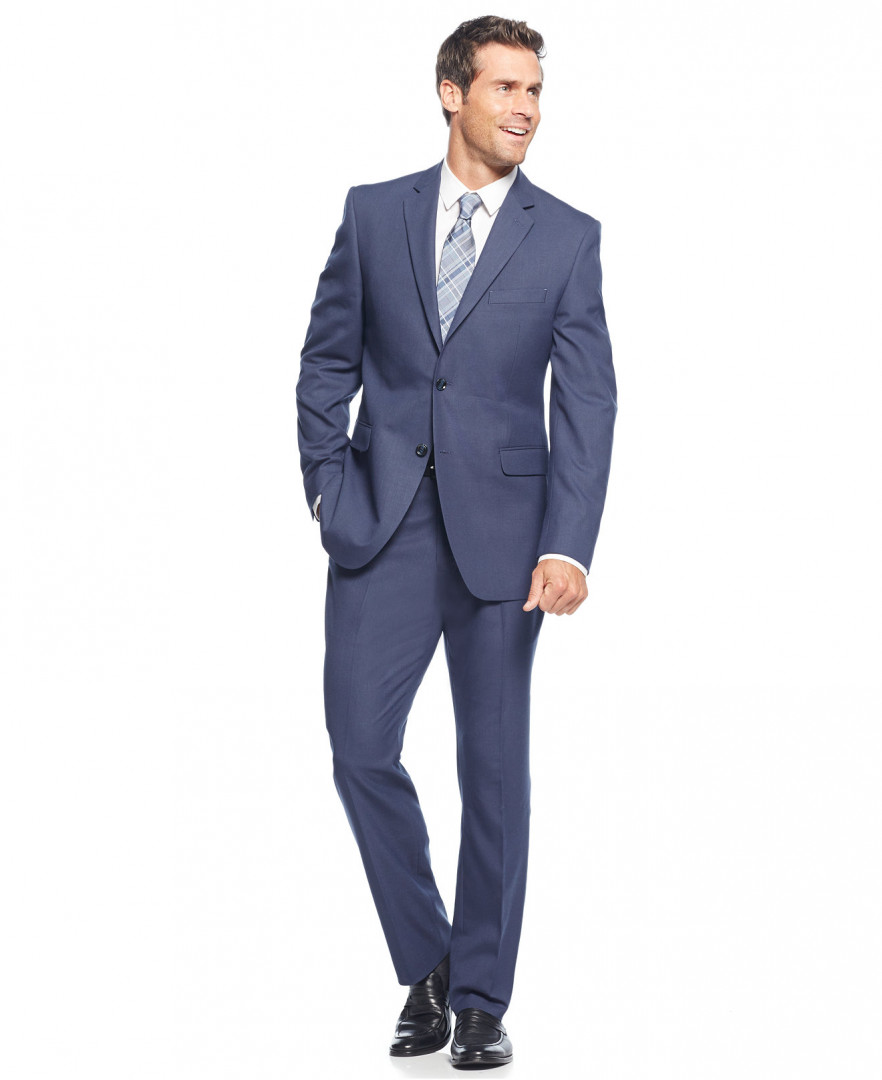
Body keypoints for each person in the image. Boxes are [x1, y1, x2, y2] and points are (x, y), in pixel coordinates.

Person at [296, 15, 616, 1069]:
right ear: (452, 92)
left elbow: (588, 400)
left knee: (493, 770)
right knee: (359, 749)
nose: (526, 109)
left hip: (509, 543)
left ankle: (478, 999)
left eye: (536, 91)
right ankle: (429, 960)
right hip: (380, 525)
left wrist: (569, 544)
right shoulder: (372, 212)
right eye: (507, 88)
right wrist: (328, 487)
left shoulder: (567, 237)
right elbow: (324, 361)